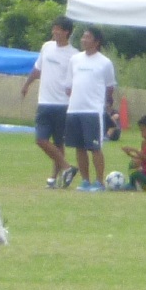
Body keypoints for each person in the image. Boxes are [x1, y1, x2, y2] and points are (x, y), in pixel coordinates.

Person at [21, 16, 79, 188]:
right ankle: (67, 168)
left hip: (63, 103)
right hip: (45, 101)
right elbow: (37, 68)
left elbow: (76, 79)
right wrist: (27, 84)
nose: (54, 32)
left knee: (58, 142)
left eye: (58, 29)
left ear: (66, 32)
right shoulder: (46, 47)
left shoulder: (74, 55)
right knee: (41, 139)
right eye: (54, 28)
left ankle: (54, 178)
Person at [63, 27, 116, 192]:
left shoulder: (105, 62)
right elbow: (68, 86)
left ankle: (99, 182)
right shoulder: (75, 60)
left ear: (96, 42)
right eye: (83, 37)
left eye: (88, 37)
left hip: (92, 110)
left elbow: (110, 87)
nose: (83, 40)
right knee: (79, 147)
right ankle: (85, 180)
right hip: (74, 110)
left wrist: (104, 102)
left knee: (94, 147)